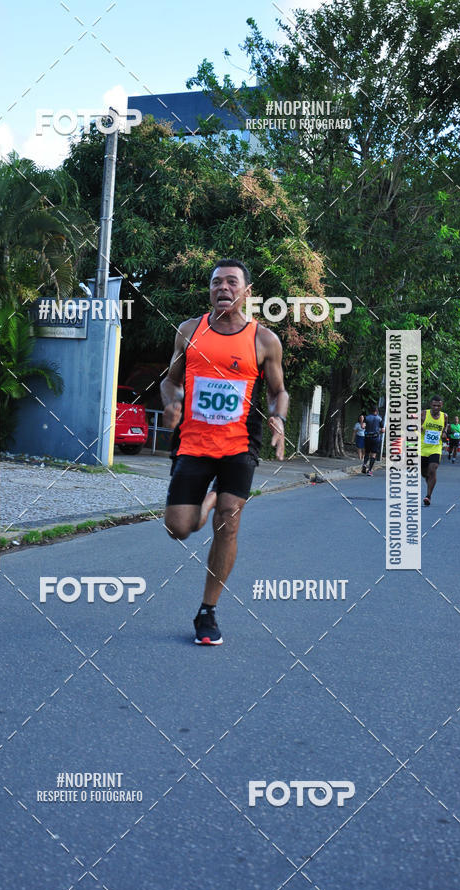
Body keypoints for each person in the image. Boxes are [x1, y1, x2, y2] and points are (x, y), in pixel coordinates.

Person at [161, 259, 288, 645]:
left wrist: (278, 419)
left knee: (228, 524)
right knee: (178, 528)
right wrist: (172, 403)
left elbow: (278, 391)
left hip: (239, 443)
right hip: (193, 443)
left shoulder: (264, 340)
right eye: (217, 282)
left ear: (247, 292)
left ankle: (207, 612)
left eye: (232, 282)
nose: (223, 288)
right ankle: (212, 497)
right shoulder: (189, 331)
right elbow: (170, 381)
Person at [420, 395, 448, 506]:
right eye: (434, 405)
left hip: (436, 448)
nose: (436, 407)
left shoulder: (444, 416)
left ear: (442, 405)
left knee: (433, 469)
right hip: (422, 448)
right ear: (431, 404)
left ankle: (428, 496)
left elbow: (445, 426)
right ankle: (429, 481)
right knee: (425, 473)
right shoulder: (424, 414)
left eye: (438, 405)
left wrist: (445, 432)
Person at [362, 405, 384, 475]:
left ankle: (364, 464)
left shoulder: (366, 418)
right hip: (375, 438)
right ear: (376, 411)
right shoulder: (379, 418)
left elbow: (362, 426)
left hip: (367, 437)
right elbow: (383, 430)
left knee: (367, 452)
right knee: (373, 454)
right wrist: (378, 431)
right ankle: (369, 470)